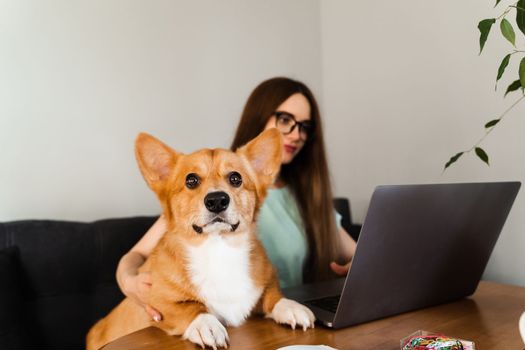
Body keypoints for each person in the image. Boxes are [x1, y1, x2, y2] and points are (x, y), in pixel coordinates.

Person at [116, 77, 357, 322]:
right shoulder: (203, 196)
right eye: (285, 120)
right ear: (260, 116)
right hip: (241, 325)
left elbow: (360, 255)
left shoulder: (311, 199)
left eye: (305, 126)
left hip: (293, 318)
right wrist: (129, 282)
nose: (296, 134)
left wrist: (360, 267)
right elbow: (135, 256)